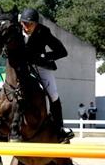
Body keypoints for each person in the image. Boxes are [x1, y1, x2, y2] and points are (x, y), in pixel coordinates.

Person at [19, 8, 73, 141]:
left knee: (53, 94)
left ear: (36, 24)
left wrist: (43, 56)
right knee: (7, 90)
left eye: (30, 24)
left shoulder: (43, 32)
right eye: (24, 23)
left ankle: (60, 128)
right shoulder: (14, 29)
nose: (26, 27)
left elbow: (62, 51)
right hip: (21, 67)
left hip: (40, 66)